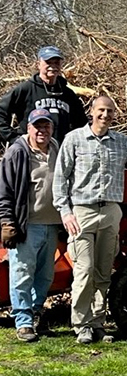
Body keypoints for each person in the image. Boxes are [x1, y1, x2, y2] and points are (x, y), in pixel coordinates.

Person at [53, 95, 127, 344]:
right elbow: (60, 179)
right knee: (84, 269)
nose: (105, 115)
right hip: (82, 211)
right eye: (101, 110)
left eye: (110, 111)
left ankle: (98, 324)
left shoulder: (120, 142)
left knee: (103, 272)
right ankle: (81, 325)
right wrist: (65, 211)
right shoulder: (74, 139)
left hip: (111, 212)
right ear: (92, 112)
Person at [0, 109, 61, 342]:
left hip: (53, 223)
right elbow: (4, 190)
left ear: (52, 129)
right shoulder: (17, 152)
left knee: (45, 275)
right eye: (37, 126)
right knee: (22, 273)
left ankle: (36, 313)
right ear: (28, 128)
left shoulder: (56, 148)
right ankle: (23, 322)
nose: (42, 131)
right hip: (28, 224)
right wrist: (7, 221)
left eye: (46, 126)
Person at [0, 46, 87, 145]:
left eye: (56, 63)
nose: (53, 66)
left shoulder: (68, 94)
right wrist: (14, 139)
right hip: (32, 152)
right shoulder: (25, 89)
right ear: (38, 64)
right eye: (48, 62)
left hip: (60, 151)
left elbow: (81, 123)